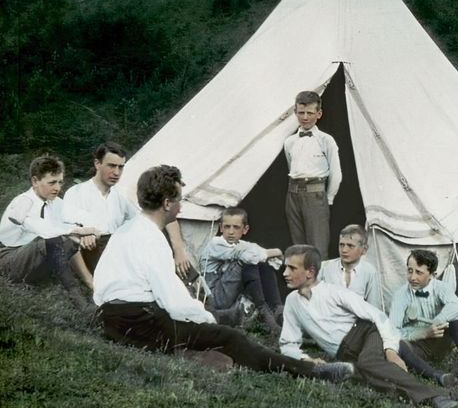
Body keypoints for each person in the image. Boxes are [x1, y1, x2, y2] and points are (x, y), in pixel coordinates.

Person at [93, 164, 353, 383]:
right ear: (167, 203)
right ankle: (313, 372)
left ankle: (196, 353)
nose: (181, 207)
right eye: (180, 200)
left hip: (111, 321)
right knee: (230, 336)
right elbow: (171, 300)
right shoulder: (153, 239)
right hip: (140, 322)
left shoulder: (126, 230)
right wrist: (205, 319)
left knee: (197, 332)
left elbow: (100, 285)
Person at [279, 244, 458, 408]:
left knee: (369, 363)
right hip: (345, 353)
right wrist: (305, 358)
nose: (285, 273)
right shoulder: (292, 303)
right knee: (370, 378)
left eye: (291, 268)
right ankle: (455, 395)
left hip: (366, 334)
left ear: (310, 272)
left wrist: (390, 349)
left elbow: (377, 316)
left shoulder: (334, 292)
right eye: (285, 268)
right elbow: (288, 344)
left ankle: (435, 399)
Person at [63, 142, 193, 289]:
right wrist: (90, 281)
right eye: (111, 166)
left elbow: (157, 214)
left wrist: (178, 250)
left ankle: (195, 292)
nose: (117, 173)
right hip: (94, 251)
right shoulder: (76, 193)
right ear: (97, 164)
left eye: (121, 167)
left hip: (117, 248)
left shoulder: (121, 194)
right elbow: (68, 237)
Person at [0, 154, 97, 309]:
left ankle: (89, 284)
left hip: (36, 254)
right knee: (56, 239)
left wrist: (86, 232)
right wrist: (73, 230)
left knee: (71, 241)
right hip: (8, 259)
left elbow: (84, 219)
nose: (58, 188)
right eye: (52, 182)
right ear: (35, 181)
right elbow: (33, 225)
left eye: (60, 182)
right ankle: (77, 297)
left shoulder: (56, 203)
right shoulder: (23, 201)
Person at [200, 206, 283, 334]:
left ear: (245, 229)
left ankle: (277, 309)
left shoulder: (242, 245)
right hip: (215, 297)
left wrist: (269, 255)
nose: (231, 232)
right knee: (248, 261)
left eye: (236, 227)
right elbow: (249, 256)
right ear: (221, 228)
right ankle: (263, 310)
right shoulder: (216, 244)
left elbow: (275, 261)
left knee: (263, 263)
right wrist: (276, 251)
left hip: (230, 293)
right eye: (227, 227)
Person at [283, 91, 342, 260]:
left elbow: (336, 173)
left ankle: (317, 284)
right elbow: (292, 167)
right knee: (298, 245)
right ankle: (302, 284)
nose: (305, 117)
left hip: (315, 195)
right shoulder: (290, 142)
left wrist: (328, 199)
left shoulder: (326, 140)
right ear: (295, 112)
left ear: (319, 113)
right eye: (301, 113)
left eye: (310, 113)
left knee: (317, 245)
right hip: (292, 194)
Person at [319, 224, 382, 308]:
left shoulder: (369, 272)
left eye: (350, 246)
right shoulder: (324, 268)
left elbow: (374, 307)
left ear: (364, 249)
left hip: (357, 319)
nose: (344, 250)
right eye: (341, 245)